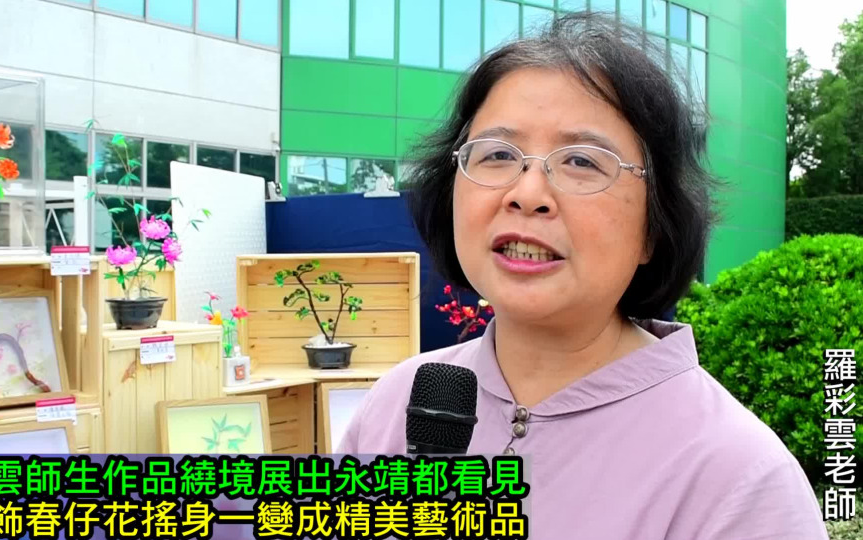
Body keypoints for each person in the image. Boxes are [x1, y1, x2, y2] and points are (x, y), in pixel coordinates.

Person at [335, 12, 828, 539]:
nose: (527, 193)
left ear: (654, 227)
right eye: (498, 154)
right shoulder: (396, 403)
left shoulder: (738, 479)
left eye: (582, 162)